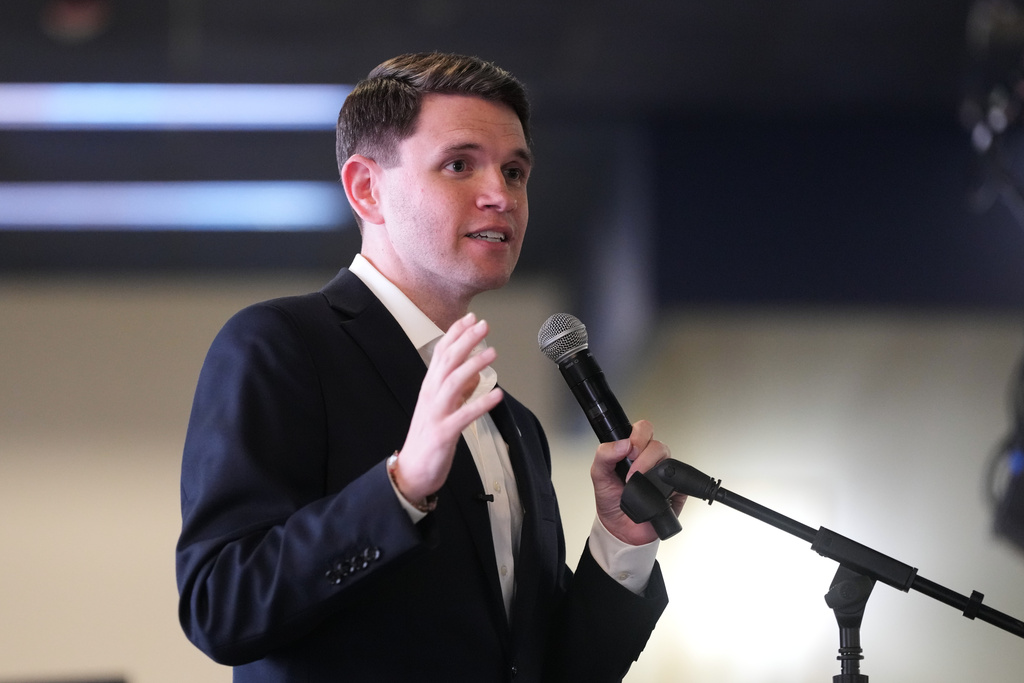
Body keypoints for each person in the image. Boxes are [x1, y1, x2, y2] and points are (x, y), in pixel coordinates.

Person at [176, 52, 684, 682]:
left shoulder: (514, 426)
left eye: (516, 171)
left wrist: (620, 541)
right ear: (368, 189)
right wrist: (402, 486)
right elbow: (220, 606)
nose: (501, 195)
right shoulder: (282, 346)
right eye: (460, 164)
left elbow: (544, 670)